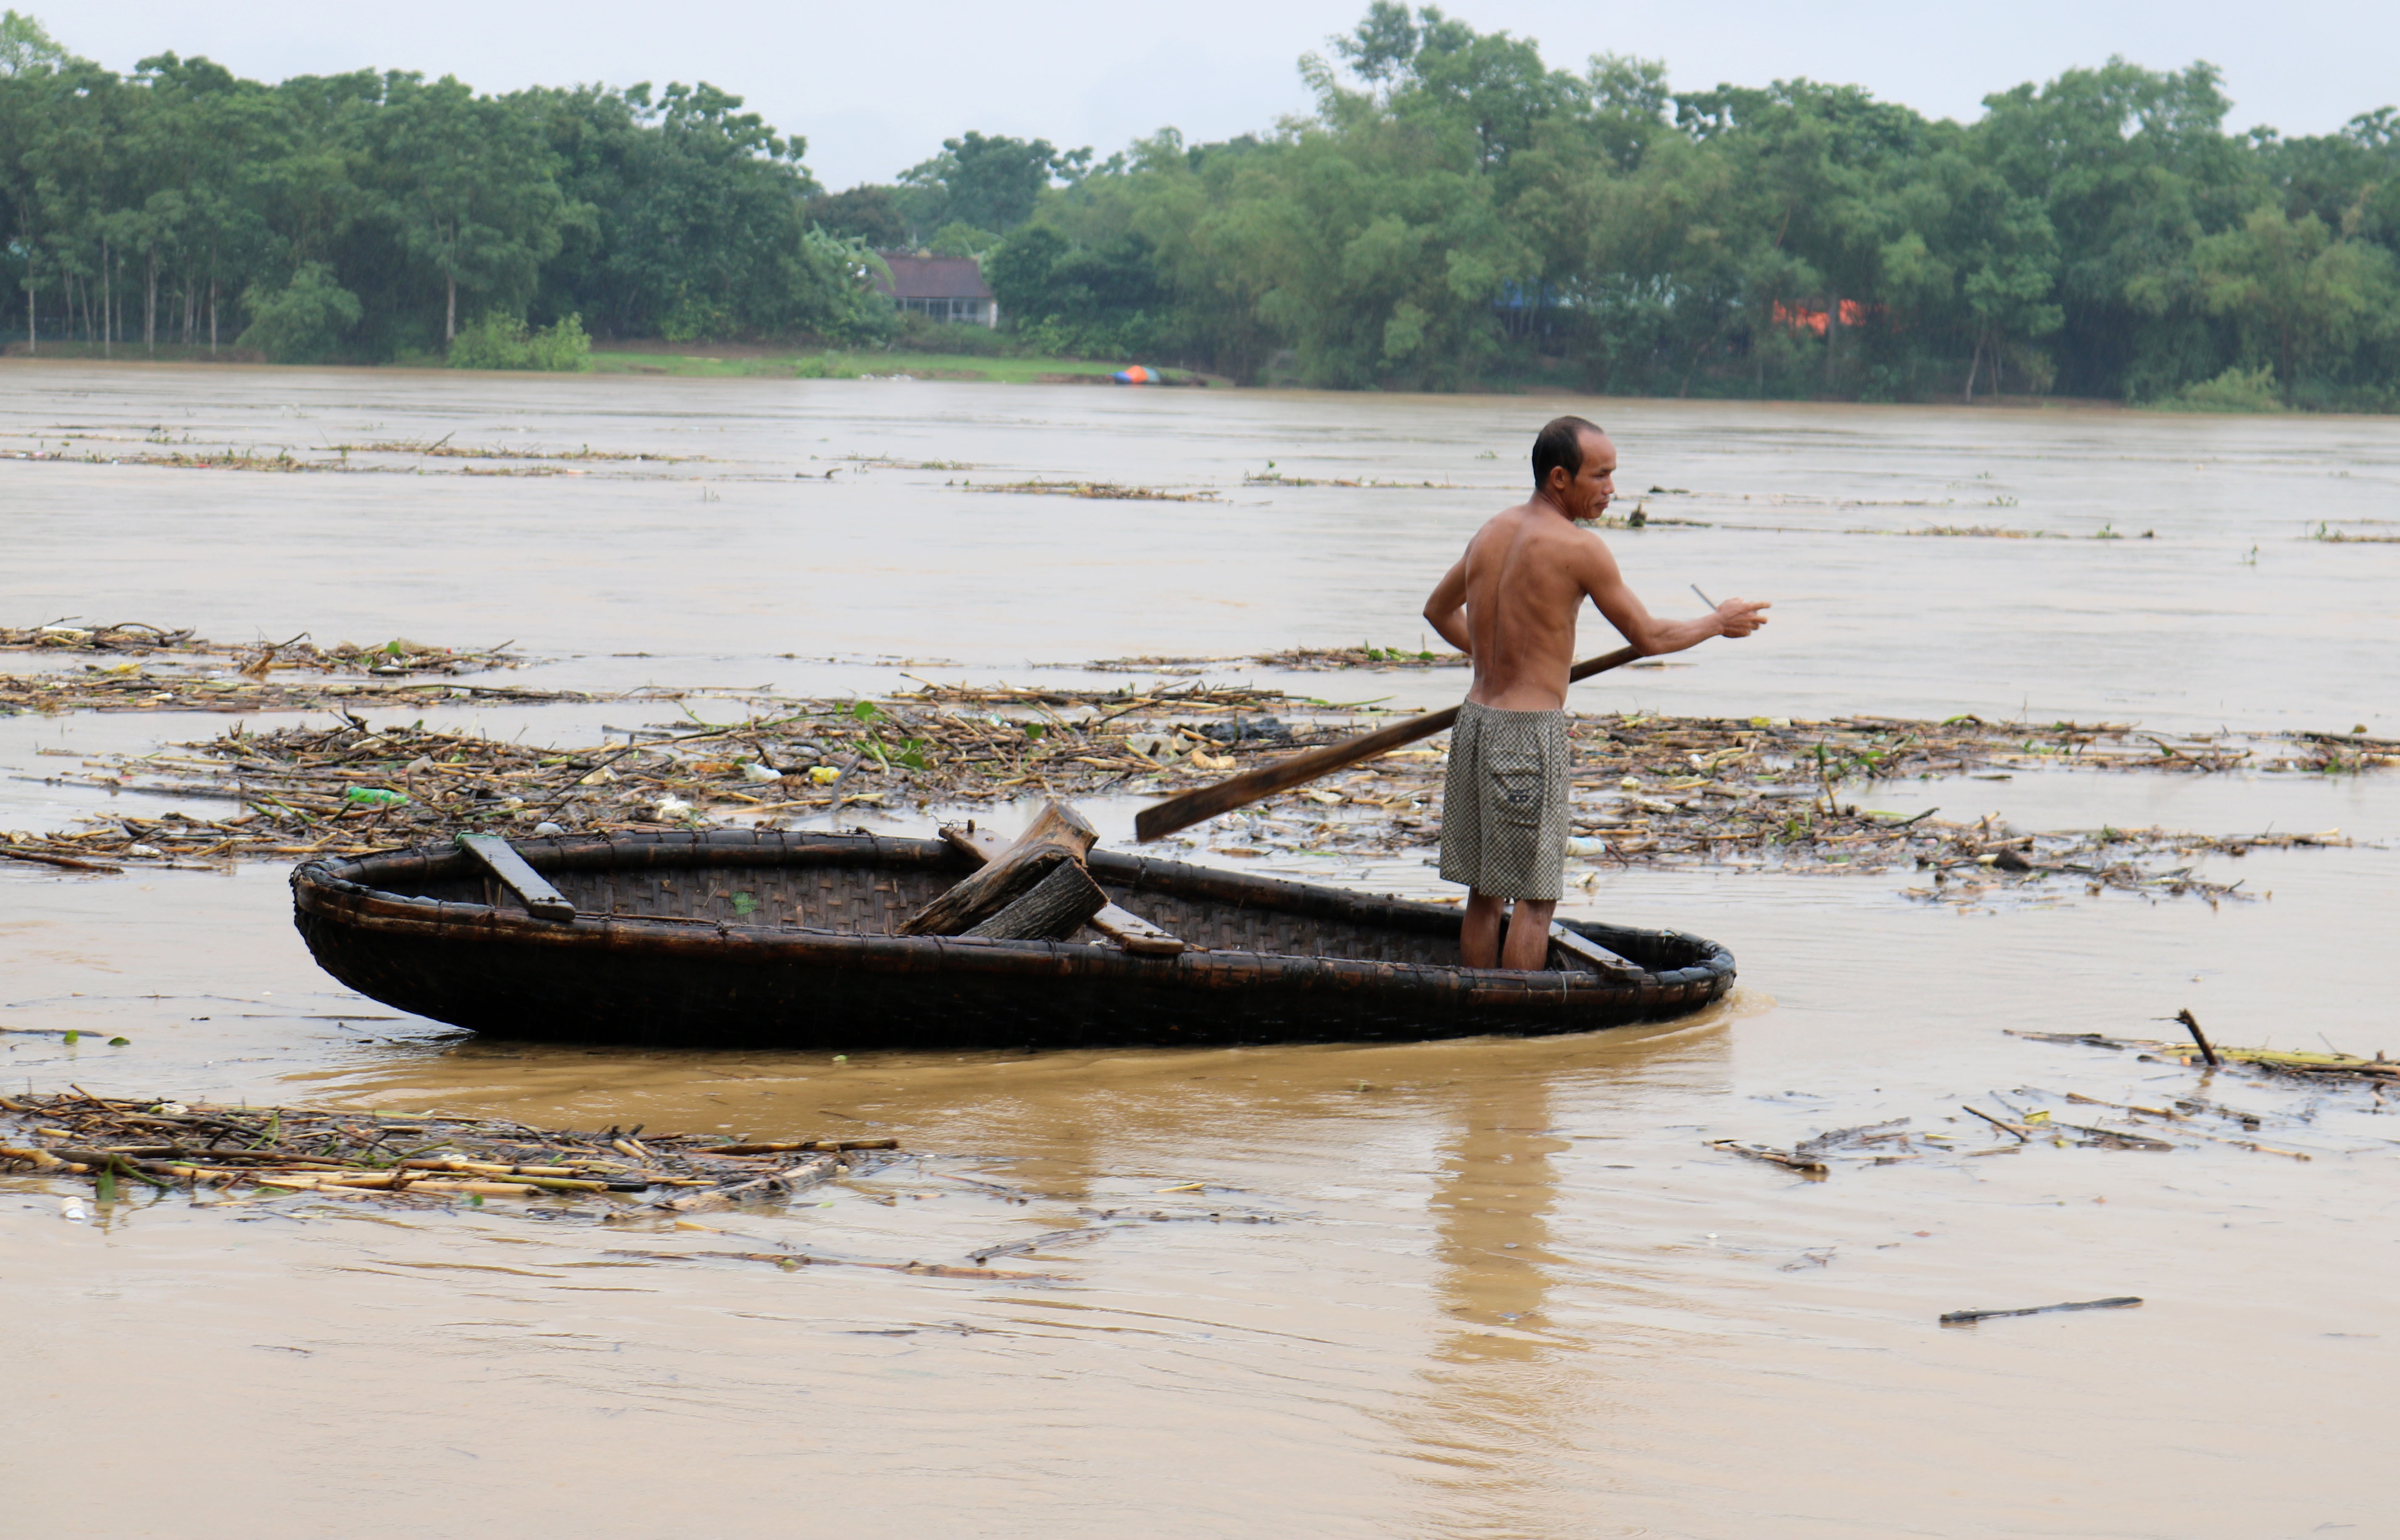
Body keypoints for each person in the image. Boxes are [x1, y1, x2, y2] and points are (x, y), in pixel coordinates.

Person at [1421, 416, 1771, 970]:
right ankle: (1516, 1032)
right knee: (1535, 902)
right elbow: (1649, 636)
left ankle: (1480, 1021)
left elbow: (1437, 611)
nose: (1612, 490)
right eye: (1601, 475)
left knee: (1484, 896)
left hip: (1476, 724)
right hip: (1528, 734)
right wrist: (1717, 622)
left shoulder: (1490, 531)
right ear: (1560, 478)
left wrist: (1495, 662)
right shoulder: (1580, 549)